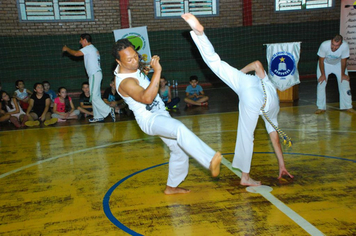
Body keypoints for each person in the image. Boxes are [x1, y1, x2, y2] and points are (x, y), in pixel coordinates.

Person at [182, 13, 293, 186]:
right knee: (246, 136)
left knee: (217, 63)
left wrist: (237, 76)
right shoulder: (273, 111)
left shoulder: (268, 84)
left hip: (249, 82)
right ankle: (245, 177)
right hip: (255, 98)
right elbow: (276, 140)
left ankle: (200, 34)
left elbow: (257, 64)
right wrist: (282, 165)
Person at [111, 38, 222, 195]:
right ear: (118, 61)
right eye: (129, 59)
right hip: (149, 119)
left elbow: (139, 70)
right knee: (179, 128)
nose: (135, 61)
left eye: (135, 56)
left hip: (161, 113)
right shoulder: (125, 82)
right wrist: (157, 71)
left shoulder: (133, 67)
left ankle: (171, 187)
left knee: (179, 150)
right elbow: (147, 98)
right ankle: (209, 161)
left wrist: (149, 66)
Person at [62, 33, 115, 123]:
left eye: (81, 40)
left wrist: (67, 49)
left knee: (94, 96)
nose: (80, 42)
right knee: (95, 96)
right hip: (95, 75)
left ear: (85, 40)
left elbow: (75, 54)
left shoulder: (89, 48)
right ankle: (98, 116)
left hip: (95, 74)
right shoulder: (92, 49)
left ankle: (109, 110)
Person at [315, 34, 356, 114]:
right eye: (333, 45)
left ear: (341, 44)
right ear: (331, 41)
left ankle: (348, 106)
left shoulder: (345, 46)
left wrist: (343, 74)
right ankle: (321, 107)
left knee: (345, 82)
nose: (334, 47)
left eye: (337, 46)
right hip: (325, 64)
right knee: (321, 83)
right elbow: (321, 60)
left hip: (338, 64)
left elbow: (344, 60)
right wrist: (323, 75)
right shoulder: (324, 45)